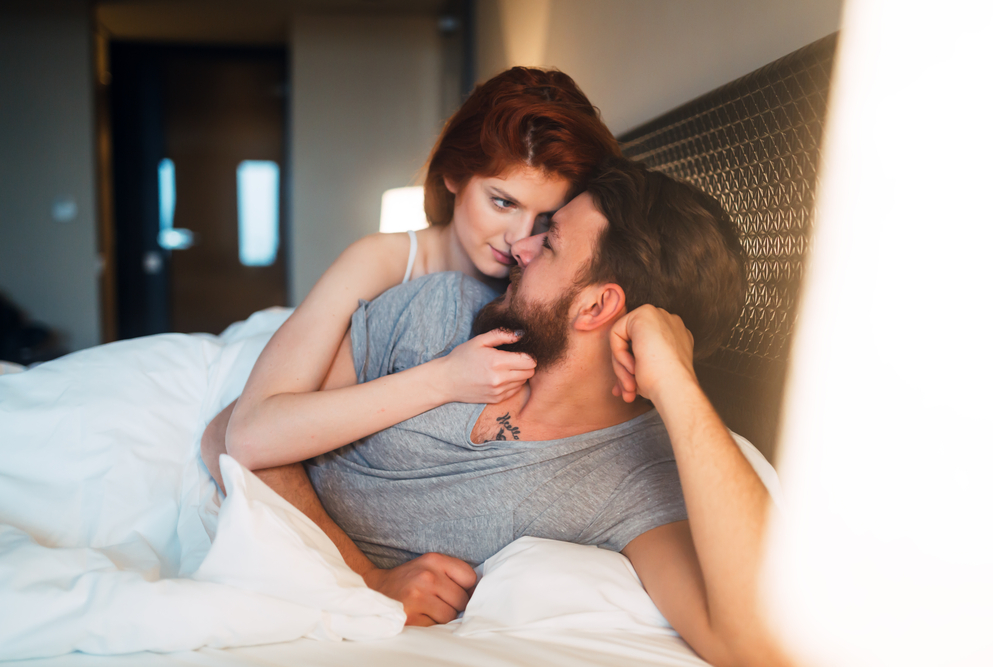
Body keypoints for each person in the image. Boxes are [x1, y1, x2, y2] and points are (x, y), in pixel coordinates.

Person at [203, 157, 787, 666]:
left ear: (596, 307)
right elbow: (233, 434)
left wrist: (679, 385)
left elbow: (756, 643)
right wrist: (367, 577)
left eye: (549, 241)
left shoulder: (635, 482)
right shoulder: (442, 309)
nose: (520, 247)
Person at [200, 66, 621, 484]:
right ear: (454, 174)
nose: (520, 239)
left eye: (546, 218)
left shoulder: (549, 298)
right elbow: (247, 433)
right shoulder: (381, 261)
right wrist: (445, 379)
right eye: (503, 202)